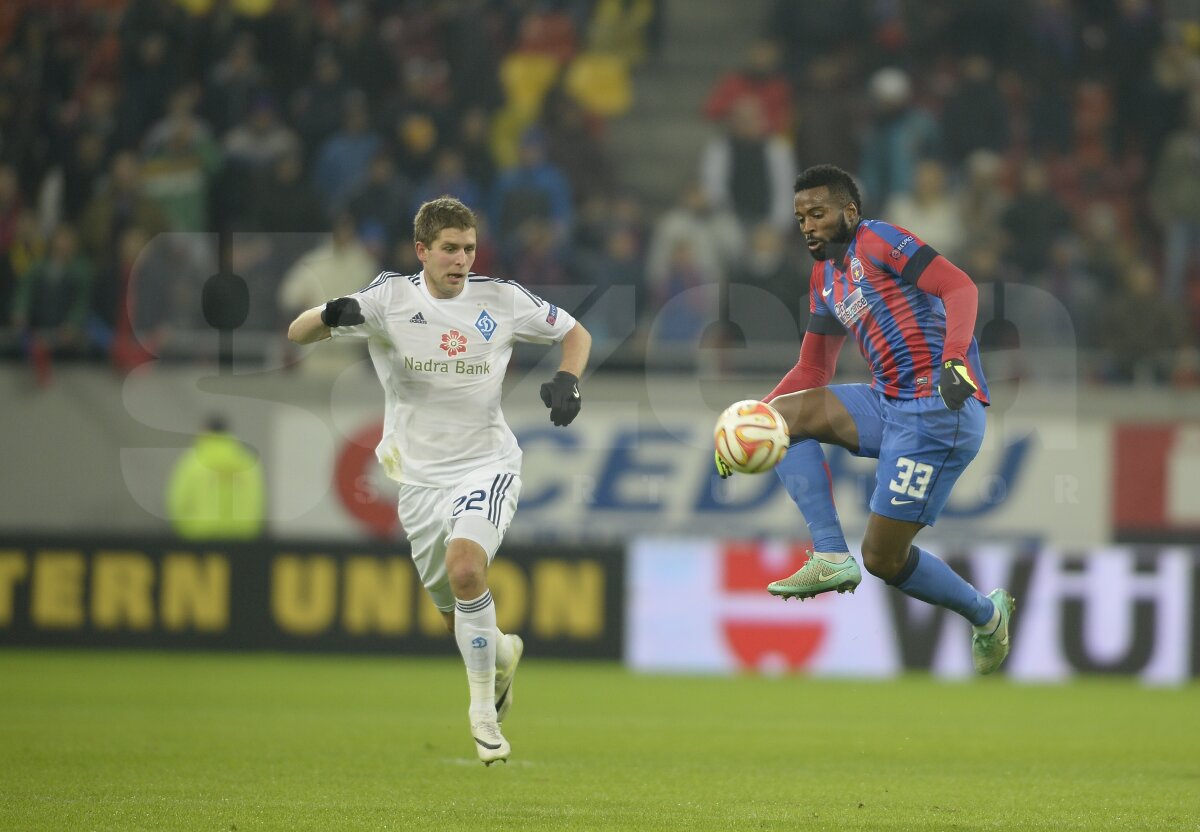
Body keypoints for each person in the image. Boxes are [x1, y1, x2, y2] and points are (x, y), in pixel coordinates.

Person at [287, 196, 591, 764]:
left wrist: (568, 379)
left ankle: (482, 713)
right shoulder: (387, 299)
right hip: (420, 481)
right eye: (449, 249)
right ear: (421, 251)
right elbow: (298, 331)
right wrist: (332, 316)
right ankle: (500, 655)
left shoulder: (500, 298)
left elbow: (576, 332)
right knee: (454, 607)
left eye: (469, 249)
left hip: (487, 463)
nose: (461, 260)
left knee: (466, 567)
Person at [714, 165, 1015, 675]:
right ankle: (830, 554)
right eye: (800, 217)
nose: (807, 225)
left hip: (940, 412)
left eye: (818, 213)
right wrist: (745, 423)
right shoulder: (824, 277)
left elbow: (959, 287)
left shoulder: (878, 239)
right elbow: (814, 367)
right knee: (783, 419)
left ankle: (987, 616)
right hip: (889, 402)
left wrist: (955, 358)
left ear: (849, 212)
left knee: (883, 559)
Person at [167, 415, 265, 541]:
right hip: (242, 538)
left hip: (200, 537)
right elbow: (258, 501)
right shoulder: (247, 462)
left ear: (205, 431)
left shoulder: (192, 461)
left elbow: (178, 501)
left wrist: (183, 531)